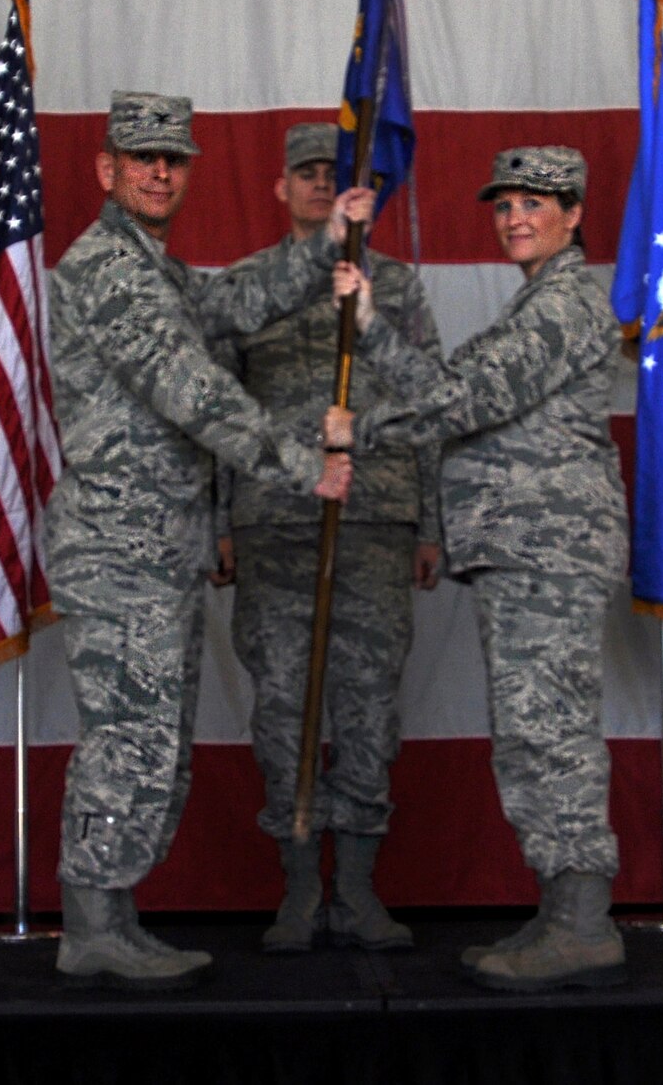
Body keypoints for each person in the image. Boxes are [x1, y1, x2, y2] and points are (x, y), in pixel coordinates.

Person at [47, 91, 372, 990]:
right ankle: (92, 926)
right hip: (119, 545)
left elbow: (228, 303)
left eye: (174, 159)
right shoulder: (107, 270)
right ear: (105, 170)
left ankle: (113, 919)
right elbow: (190, 386)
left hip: (154, 545)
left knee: (151, 736)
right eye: (142, 158)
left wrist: (321, 246)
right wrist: (300, 461)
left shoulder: (154, 268)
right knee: (128, 737)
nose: (160, 172)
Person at [323, 146, 628, 992]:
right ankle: (562, 910)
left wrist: (360, 431)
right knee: (533, 733)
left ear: (574, 216)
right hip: (524, 550)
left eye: (536, 202)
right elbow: (457, 385)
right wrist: (377, 326)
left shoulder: (565, 307)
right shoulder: (536, 304)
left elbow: (464, 399)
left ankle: (582, 922)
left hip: (548, 550)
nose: (515, 216)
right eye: (504, 204)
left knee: (549, 735)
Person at [210, 122, 442, 952]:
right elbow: (215, 414)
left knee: (370, 702)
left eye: (332, 174)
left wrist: (430, 524)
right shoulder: (241, 289)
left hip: (377, 518)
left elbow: (432, 408)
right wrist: (218, 526)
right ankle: (300, 889)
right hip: (272, 521)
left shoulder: (400, 288)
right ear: (281, 188)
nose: (318, 185)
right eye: (305, 173)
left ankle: (360, 889)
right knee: (282, 705)